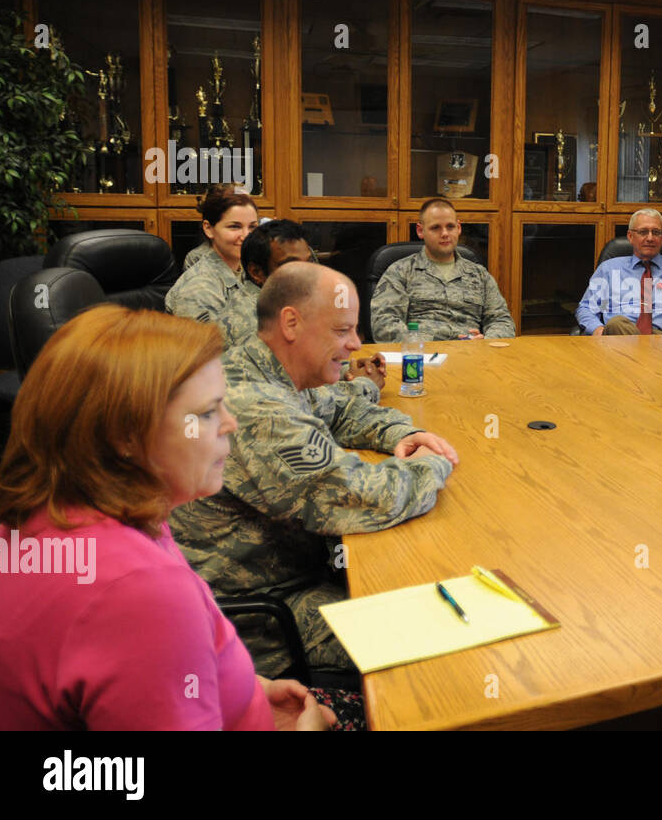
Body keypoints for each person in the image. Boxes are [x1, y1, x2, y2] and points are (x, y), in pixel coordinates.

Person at [0, 306, 335, 730]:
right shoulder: (136, 589)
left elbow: (132, 676)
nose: (230, 423)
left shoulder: (51, 518)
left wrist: (241, 689)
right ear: (126, 436)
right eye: (207, 413)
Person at [169, 263, 460, 676]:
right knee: (438, 647)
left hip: (293, 576)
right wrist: (434, 461)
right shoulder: (257, 406)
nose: (355, 344)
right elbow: (367, 496)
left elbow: (340, 407)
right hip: (260, 622)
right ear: (291, 323)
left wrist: (402, 434)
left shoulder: (267, 371)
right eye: (342, 331)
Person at [225, 219, 386, 393]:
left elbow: (309, 362)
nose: (308, 273)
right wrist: (364, 386)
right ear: (256, 273)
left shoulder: (286, 302)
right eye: (293, 265)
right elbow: (300, 397)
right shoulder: (250, 321)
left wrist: (349, 370)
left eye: (309, 262)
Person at [370, 198, 514, 342]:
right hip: (421, 357)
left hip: (471, 355)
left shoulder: (479, 275)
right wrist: (429, 343)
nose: (444, 233)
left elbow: (502, 321)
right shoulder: (400, 271)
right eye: (436, 228)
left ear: (459, 228)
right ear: (420, 231)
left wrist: (486, 342)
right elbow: (384, 324)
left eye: (450, 227)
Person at [575, 209, 662, 335]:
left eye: (656, 232)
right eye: (643, 232)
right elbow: (586, 308)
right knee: (616, 324)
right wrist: (598, 330)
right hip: (620, 339)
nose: (650, 238)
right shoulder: (609, 269)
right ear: (630, 236)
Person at [166, 188, 259, 324]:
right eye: (234, 227)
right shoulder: (198, 289)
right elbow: (211, 344)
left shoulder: (247, 270)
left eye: (252, 227)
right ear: (208, 229)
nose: (246, 236)